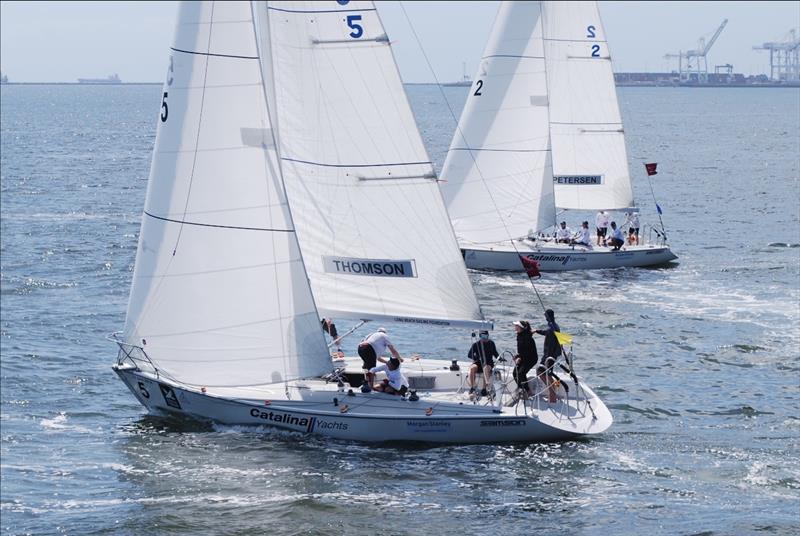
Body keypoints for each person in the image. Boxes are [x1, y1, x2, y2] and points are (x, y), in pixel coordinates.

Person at [357, 327, 402, 392]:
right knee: (371, 369)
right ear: (384, 332)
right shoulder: (384, 336)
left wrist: (387, 362)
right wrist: (399, 359)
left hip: (360, 349)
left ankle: (367, 383)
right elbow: (392, 350)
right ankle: (370, 388)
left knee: (366, 367)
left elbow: (377, 357)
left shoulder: (372, 335)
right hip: (369, 350)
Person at [535, 309, 562, 403]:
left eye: (545, 316)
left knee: (540, 371)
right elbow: (546, 332)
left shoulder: (551, 328)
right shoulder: (554, 326)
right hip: (554, 355)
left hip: (549, 356)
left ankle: (552, 395)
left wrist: (546, 359)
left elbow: (550, 345)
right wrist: (537, 331)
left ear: (548, 316)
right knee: (548, 374)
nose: (545, 317)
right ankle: (554, 390)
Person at [467, 330, 498, 396]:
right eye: (482, 336)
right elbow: (469, 354)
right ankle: (473, 387)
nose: (484, 338)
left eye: (485, 336)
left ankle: (484, 389)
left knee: (486, 368)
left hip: (488, 363)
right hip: (479, 363)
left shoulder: (491, 343)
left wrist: (500, 358)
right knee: (472, 368)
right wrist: (477, 358)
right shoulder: (476, 344)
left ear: (488, 336)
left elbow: (495, 353)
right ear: (480, 336)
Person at [512, 320, 538, 397]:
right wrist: (518, 356)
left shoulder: (527, 337)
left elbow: (527, 352)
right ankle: (522, 389)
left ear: (521, 328)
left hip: (531, 359)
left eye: (516, 325)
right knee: (514, 373)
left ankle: (528, 391)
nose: (515, 327)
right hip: (523, 357)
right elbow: (521, 350)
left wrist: (518, 357)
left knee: (521, 373)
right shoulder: (519, 335)